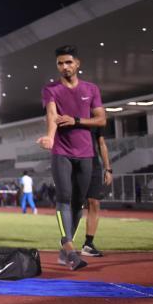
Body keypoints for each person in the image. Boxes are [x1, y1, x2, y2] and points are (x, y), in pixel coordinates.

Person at [37, 45, 106, 271]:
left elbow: (101, 120)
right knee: (64, 197)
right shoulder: (51, 89)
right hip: (61, 151)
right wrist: (50, 137)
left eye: (68, 62)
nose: (64, 66)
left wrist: (76, 120)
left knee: (78, 203)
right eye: (60, 63)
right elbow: (51, 114)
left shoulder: (91, 89)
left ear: (77, 63)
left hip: (86, 153)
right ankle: (68, 247)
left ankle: (64, 250)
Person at [82, 127, 112, 256]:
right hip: (74, 163)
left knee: (94, 202)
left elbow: (102, 144)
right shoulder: (71, 116)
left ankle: (88, 244)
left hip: (93, 165)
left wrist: (108, 169)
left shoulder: (96, 119)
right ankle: (66, 245)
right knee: (74, 205)